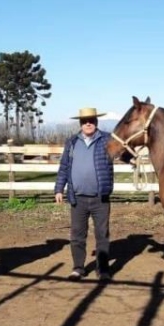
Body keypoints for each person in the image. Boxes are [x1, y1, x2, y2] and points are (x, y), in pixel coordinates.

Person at [54, 107, 115, 282]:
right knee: (77, 235)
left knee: (102, 235)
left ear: (96, 122)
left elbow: (123, 152)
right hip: (77, 198)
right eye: (84, 121)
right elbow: (64, 167)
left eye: (91, 120)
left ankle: (103, 270)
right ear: (80, 123)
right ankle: (78, 268)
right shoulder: (72, 142)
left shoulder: (107, 140)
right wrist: (59, 188)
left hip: (100, 197)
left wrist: (132, 158)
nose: (88, 123)